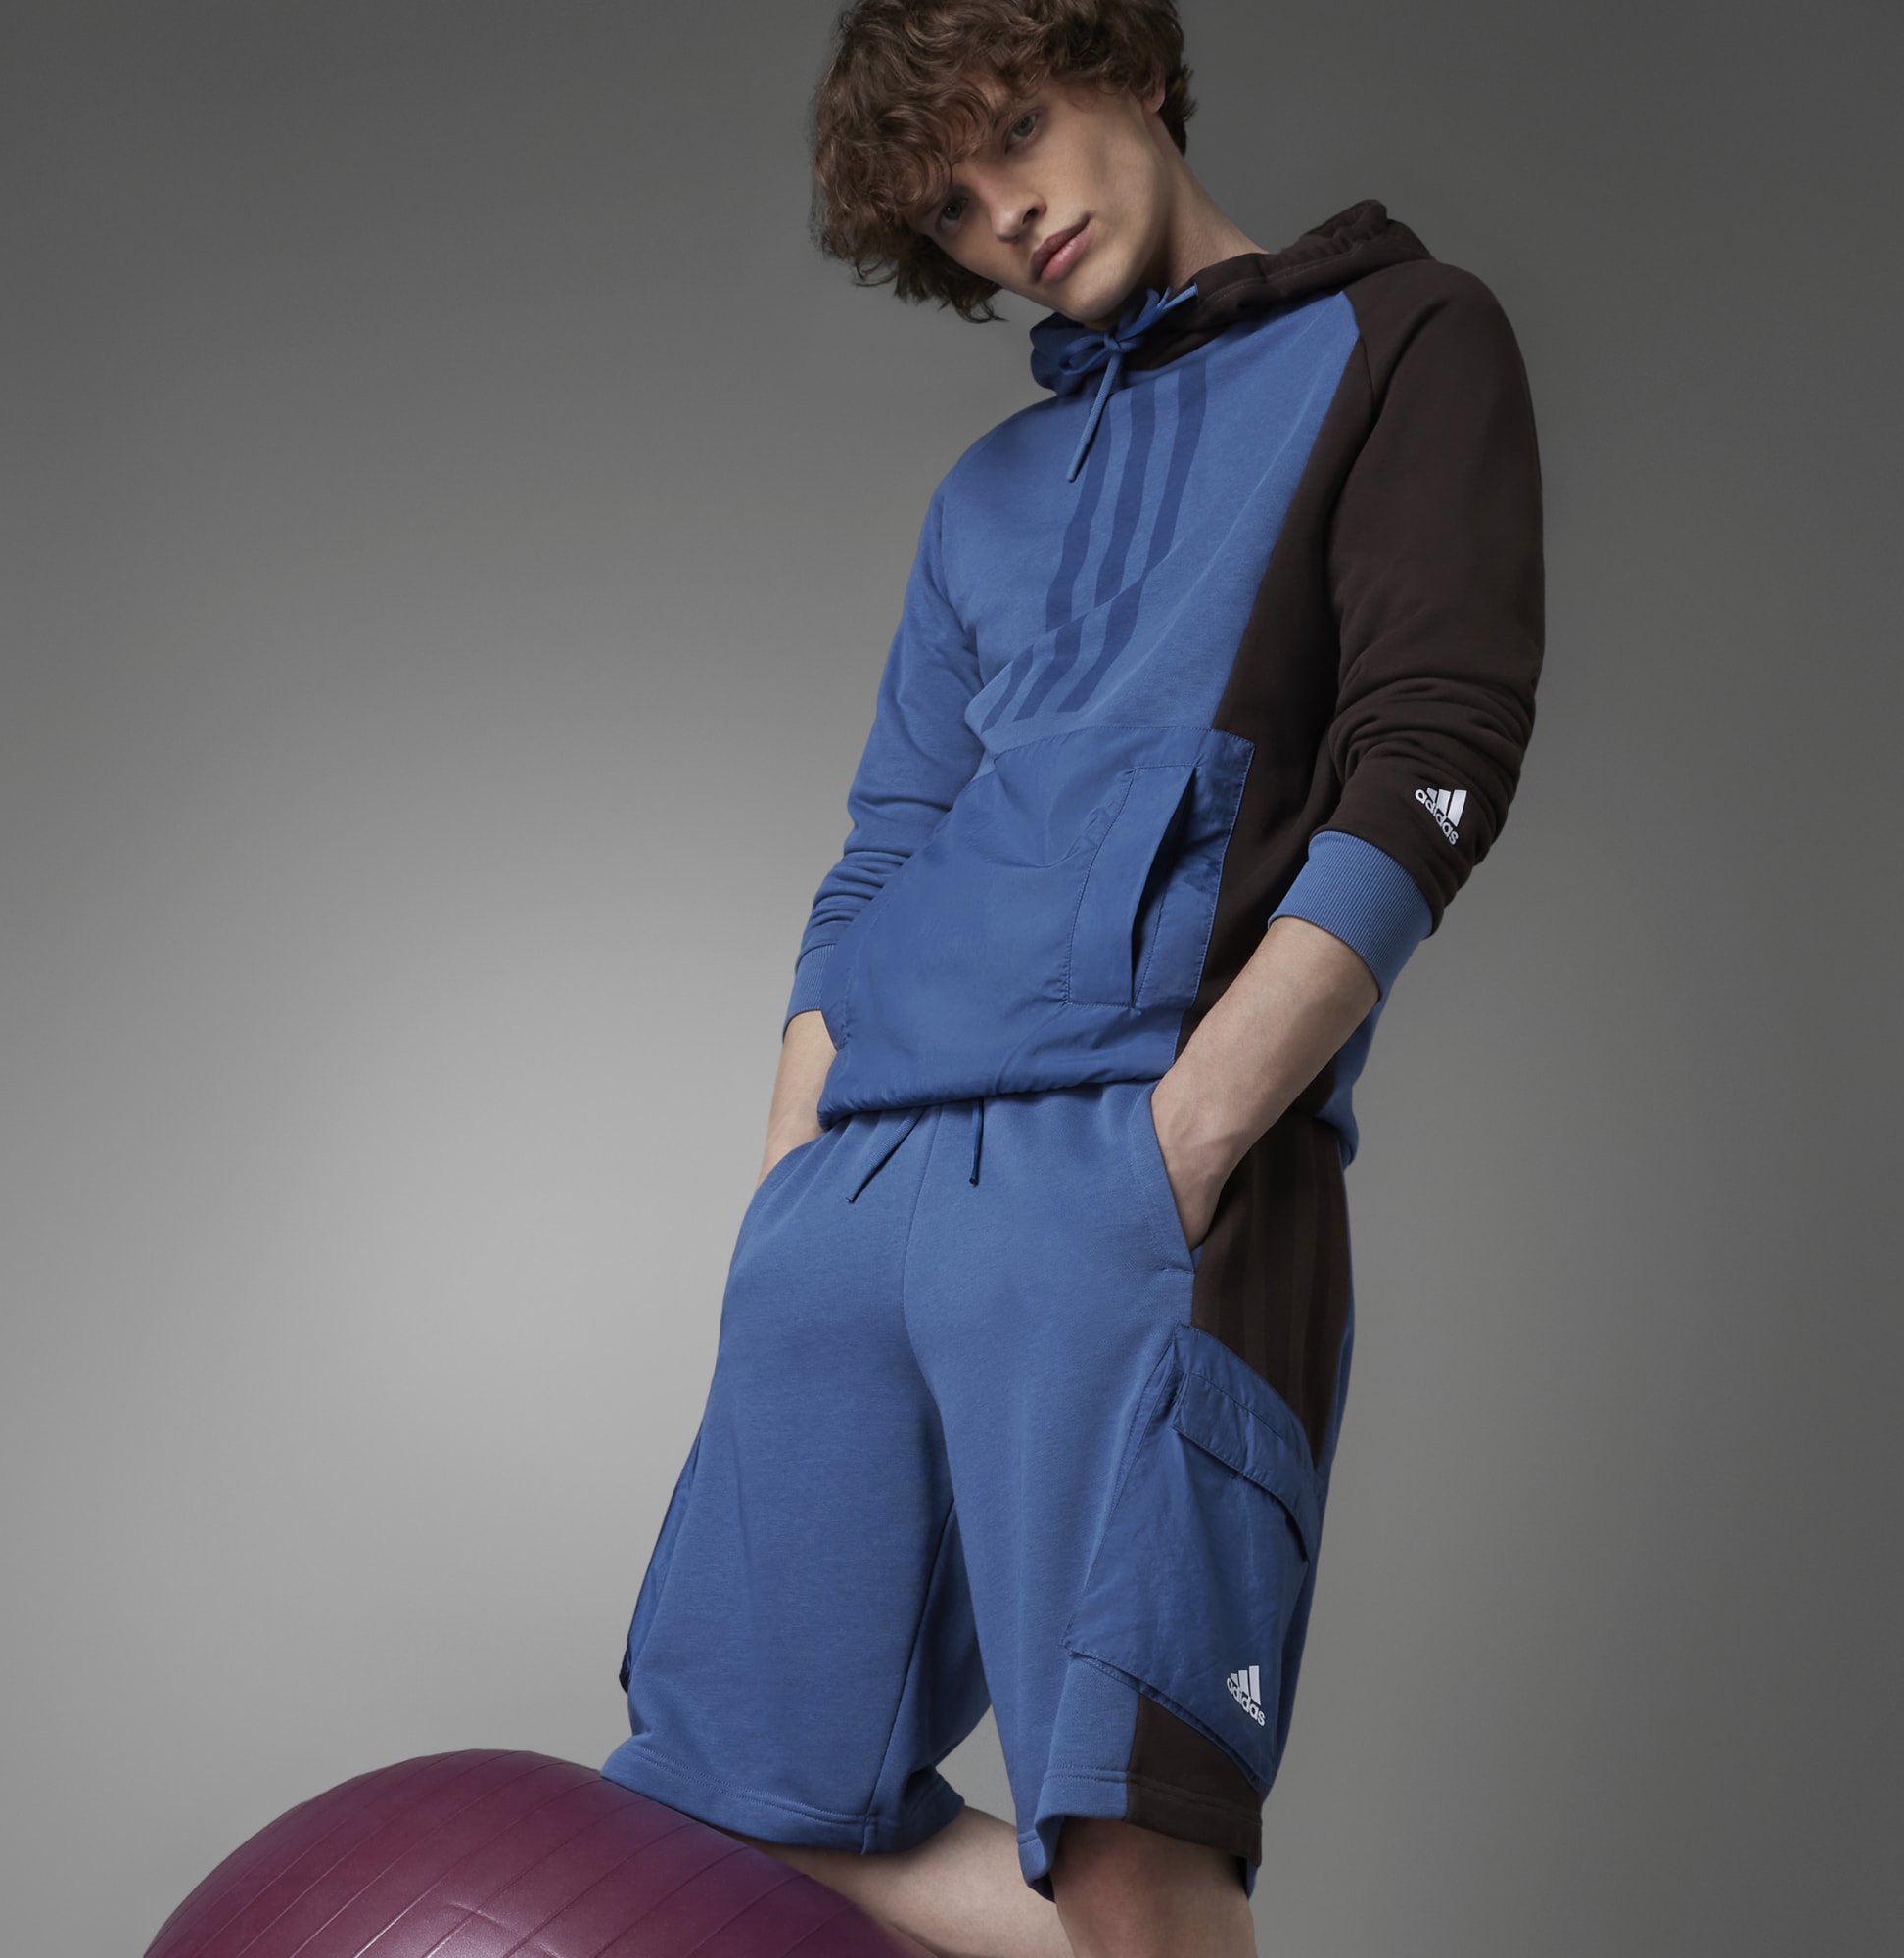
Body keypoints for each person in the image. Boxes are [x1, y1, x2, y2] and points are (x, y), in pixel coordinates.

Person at [599, 3, 1543, 1953]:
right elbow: (886, 842)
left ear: (1129, 67)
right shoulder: (986, 494)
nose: (1004, 214)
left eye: (1017, 129)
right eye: (950, 207)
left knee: (1130, 1852)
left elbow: (1432, 755)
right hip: (860, 1195)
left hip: (1130, 1183)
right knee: (714, 1803)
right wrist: (788, 1182)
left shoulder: (1402, 339)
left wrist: (1184, 1140)